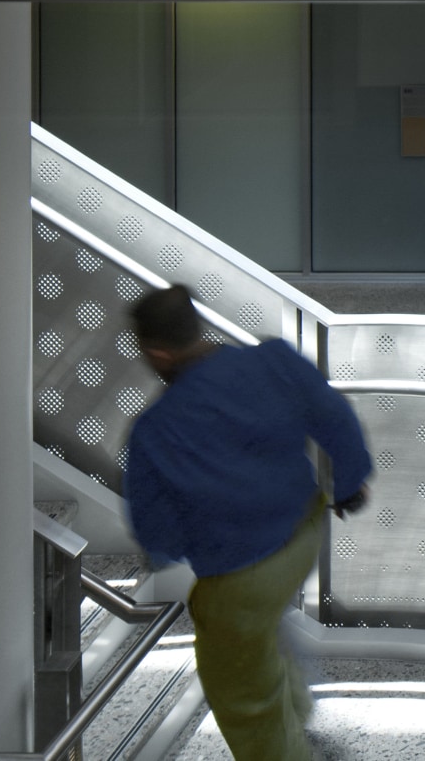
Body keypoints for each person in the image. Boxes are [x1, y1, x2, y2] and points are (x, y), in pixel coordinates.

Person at [121, 285, 373, 761]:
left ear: (157, 352)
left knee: (240, 693)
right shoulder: (273, 361)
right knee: (264, 640)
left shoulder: (156, 428)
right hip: (303, 533)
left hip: (240, 573)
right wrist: (349, 482)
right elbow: (334, 416)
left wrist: (171, 550)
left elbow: (155, 529)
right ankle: (301, 730)